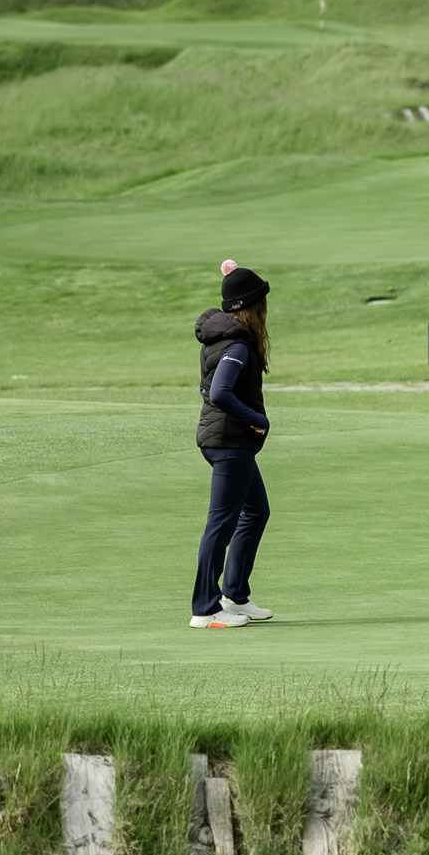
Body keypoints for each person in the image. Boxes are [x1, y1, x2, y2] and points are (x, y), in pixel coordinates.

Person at [192, 260, 277, 629]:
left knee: (256, 511)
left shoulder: (222, 338)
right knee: (221, 524)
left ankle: (234, 595)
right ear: (248, 308)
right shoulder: (238, 345)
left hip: (226, 440)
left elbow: (208, 387)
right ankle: (205, 609)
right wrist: (257, 420)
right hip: (230, 442)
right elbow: (221, 391)